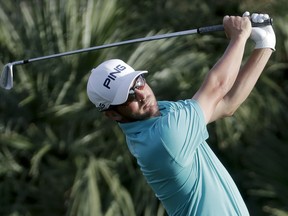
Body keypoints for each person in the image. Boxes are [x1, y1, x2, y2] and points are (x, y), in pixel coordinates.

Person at [86, 11, 275, 216]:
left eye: (138, 81)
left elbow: (227, 104)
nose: (141, 93)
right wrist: (239, 37)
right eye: (128, 94)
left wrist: (264, 45)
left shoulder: (161, 114)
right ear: (113, 115)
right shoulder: (164, 138)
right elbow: (218, 86)